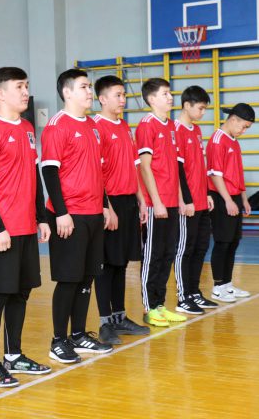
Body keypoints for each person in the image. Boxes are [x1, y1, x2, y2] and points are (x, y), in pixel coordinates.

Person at [0, 67, 52, 388]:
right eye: (19, 86)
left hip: (26, 227)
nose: (25, 92)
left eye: (26, 86)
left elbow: (34, 176)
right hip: (2, 231)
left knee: (21, 291)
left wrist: (41, 217)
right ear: (0, 92)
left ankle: (14, 355)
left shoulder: (28, 129)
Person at [41, 68, 113, 364]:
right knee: (69, 280)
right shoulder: (57, 126)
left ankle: (79, 334)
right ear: (67, 92)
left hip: (93, 213)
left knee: (87, 278)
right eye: (84, 86)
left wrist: (105, 205)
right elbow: (49, 171)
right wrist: (61, 213)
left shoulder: (93, 126)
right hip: (69, 215)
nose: (89, 92)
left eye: (89, 86)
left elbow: (97, 171)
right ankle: (58, 340)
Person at [91, 75, 150, 345]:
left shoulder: (125, 126)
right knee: (106, 265)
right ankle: (105, 322)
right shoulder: (96, 127)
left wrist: (141, 199)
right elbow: (96, 172)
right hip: (109, 202)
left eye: (124, 94)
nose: (123, 99)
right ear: (102, 99)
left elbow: (134, 166)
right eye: (118, 95)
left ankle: (120, 316)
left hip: (128, 201)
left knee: (121, 263)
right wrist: (107, 207)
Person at [136, 78, 188, 327]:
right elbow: (145, 167)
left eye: (170, 93)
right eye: (165, 93)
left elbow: (174, 169)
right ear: (151, 99)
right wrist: (156, 202)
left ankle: (160, 305)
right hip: (155, 203)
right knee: (153, 255)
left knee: (168, 254)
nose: (170, 97)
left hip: (171, 201)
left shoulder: (171, 127)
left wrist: (179, 199)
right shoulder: (147, 125)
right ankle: (149, 308)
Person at [173, 86, 218, 315]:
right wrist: (186, 199)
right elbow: (178, 169)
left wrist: (207, 193)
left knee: (201, 248)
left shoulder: (197, 130)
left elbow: (199, 166)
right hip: (188, 203)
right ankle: (183, 297)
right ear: (186, 105)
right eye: (200, 108)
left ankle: (194, 292)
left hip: (201, 200)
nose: (202, 112)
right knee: (185, 249)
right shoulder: (176, 130)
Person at [206, 103, 255, 303]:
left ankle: (227, 284)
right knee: (223, 242)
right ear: (233, 119)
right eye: (244, 126)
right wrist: (227, 200)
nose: (244, 131)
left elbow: (238, 174)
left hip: (234, 197)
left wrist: (243, 199)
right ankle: (218, 287)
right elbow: (215, 174)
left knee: (233, 242)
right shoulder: (217, 140)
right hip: (221, 197)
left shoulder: (234, 141)